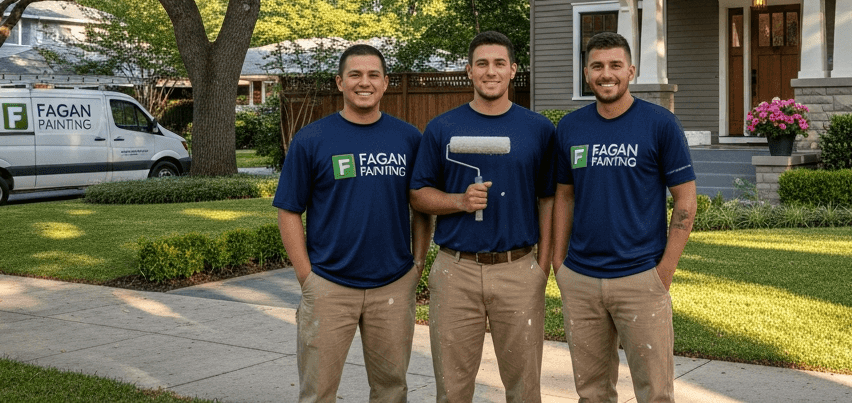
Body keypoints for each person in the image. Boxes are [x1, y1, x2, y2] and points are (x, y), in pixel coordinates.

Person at [273, 44, 431, 403]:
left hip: (392, 285)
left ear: (386, 83)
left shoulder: (408, 138)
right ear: (340, 82)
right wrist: (306, 276)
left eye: (373, 74)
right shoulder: (312, 139)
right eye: (355, 74)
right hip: (329, 285)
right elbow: (288, 210)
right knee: (318, 392)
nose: (365, 82)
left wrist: (417, 265)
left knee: (392, 390)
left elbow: (422, 206)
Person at [409, 30, 557, 403]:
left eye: (499, 64)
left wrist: (542, 266)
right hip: (456, 270)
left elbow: (549, 199)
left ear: (512, 71)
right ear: (469, 72)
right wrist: (459, 201)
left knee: (524, 388)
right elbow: (418, 194)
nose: (490, 71)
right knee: (453, 388)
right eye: (482, 64)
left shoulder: (538, 129)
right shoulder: (443, 128)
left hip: (518, 269)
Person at [551, 31, 697, 403]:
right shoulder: (570, 127)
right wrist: (559, 264)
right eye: (597, 66)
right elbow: (564, 197)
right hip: (581, 280)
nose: (606, 74)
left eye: (615, 65)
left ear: (631, 70)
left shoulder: (659, 124)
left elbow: (685, 202)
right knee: (591, 393)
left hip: (640, 279)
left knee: (655, 393)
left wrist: (663, 272)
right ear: (586, 73)